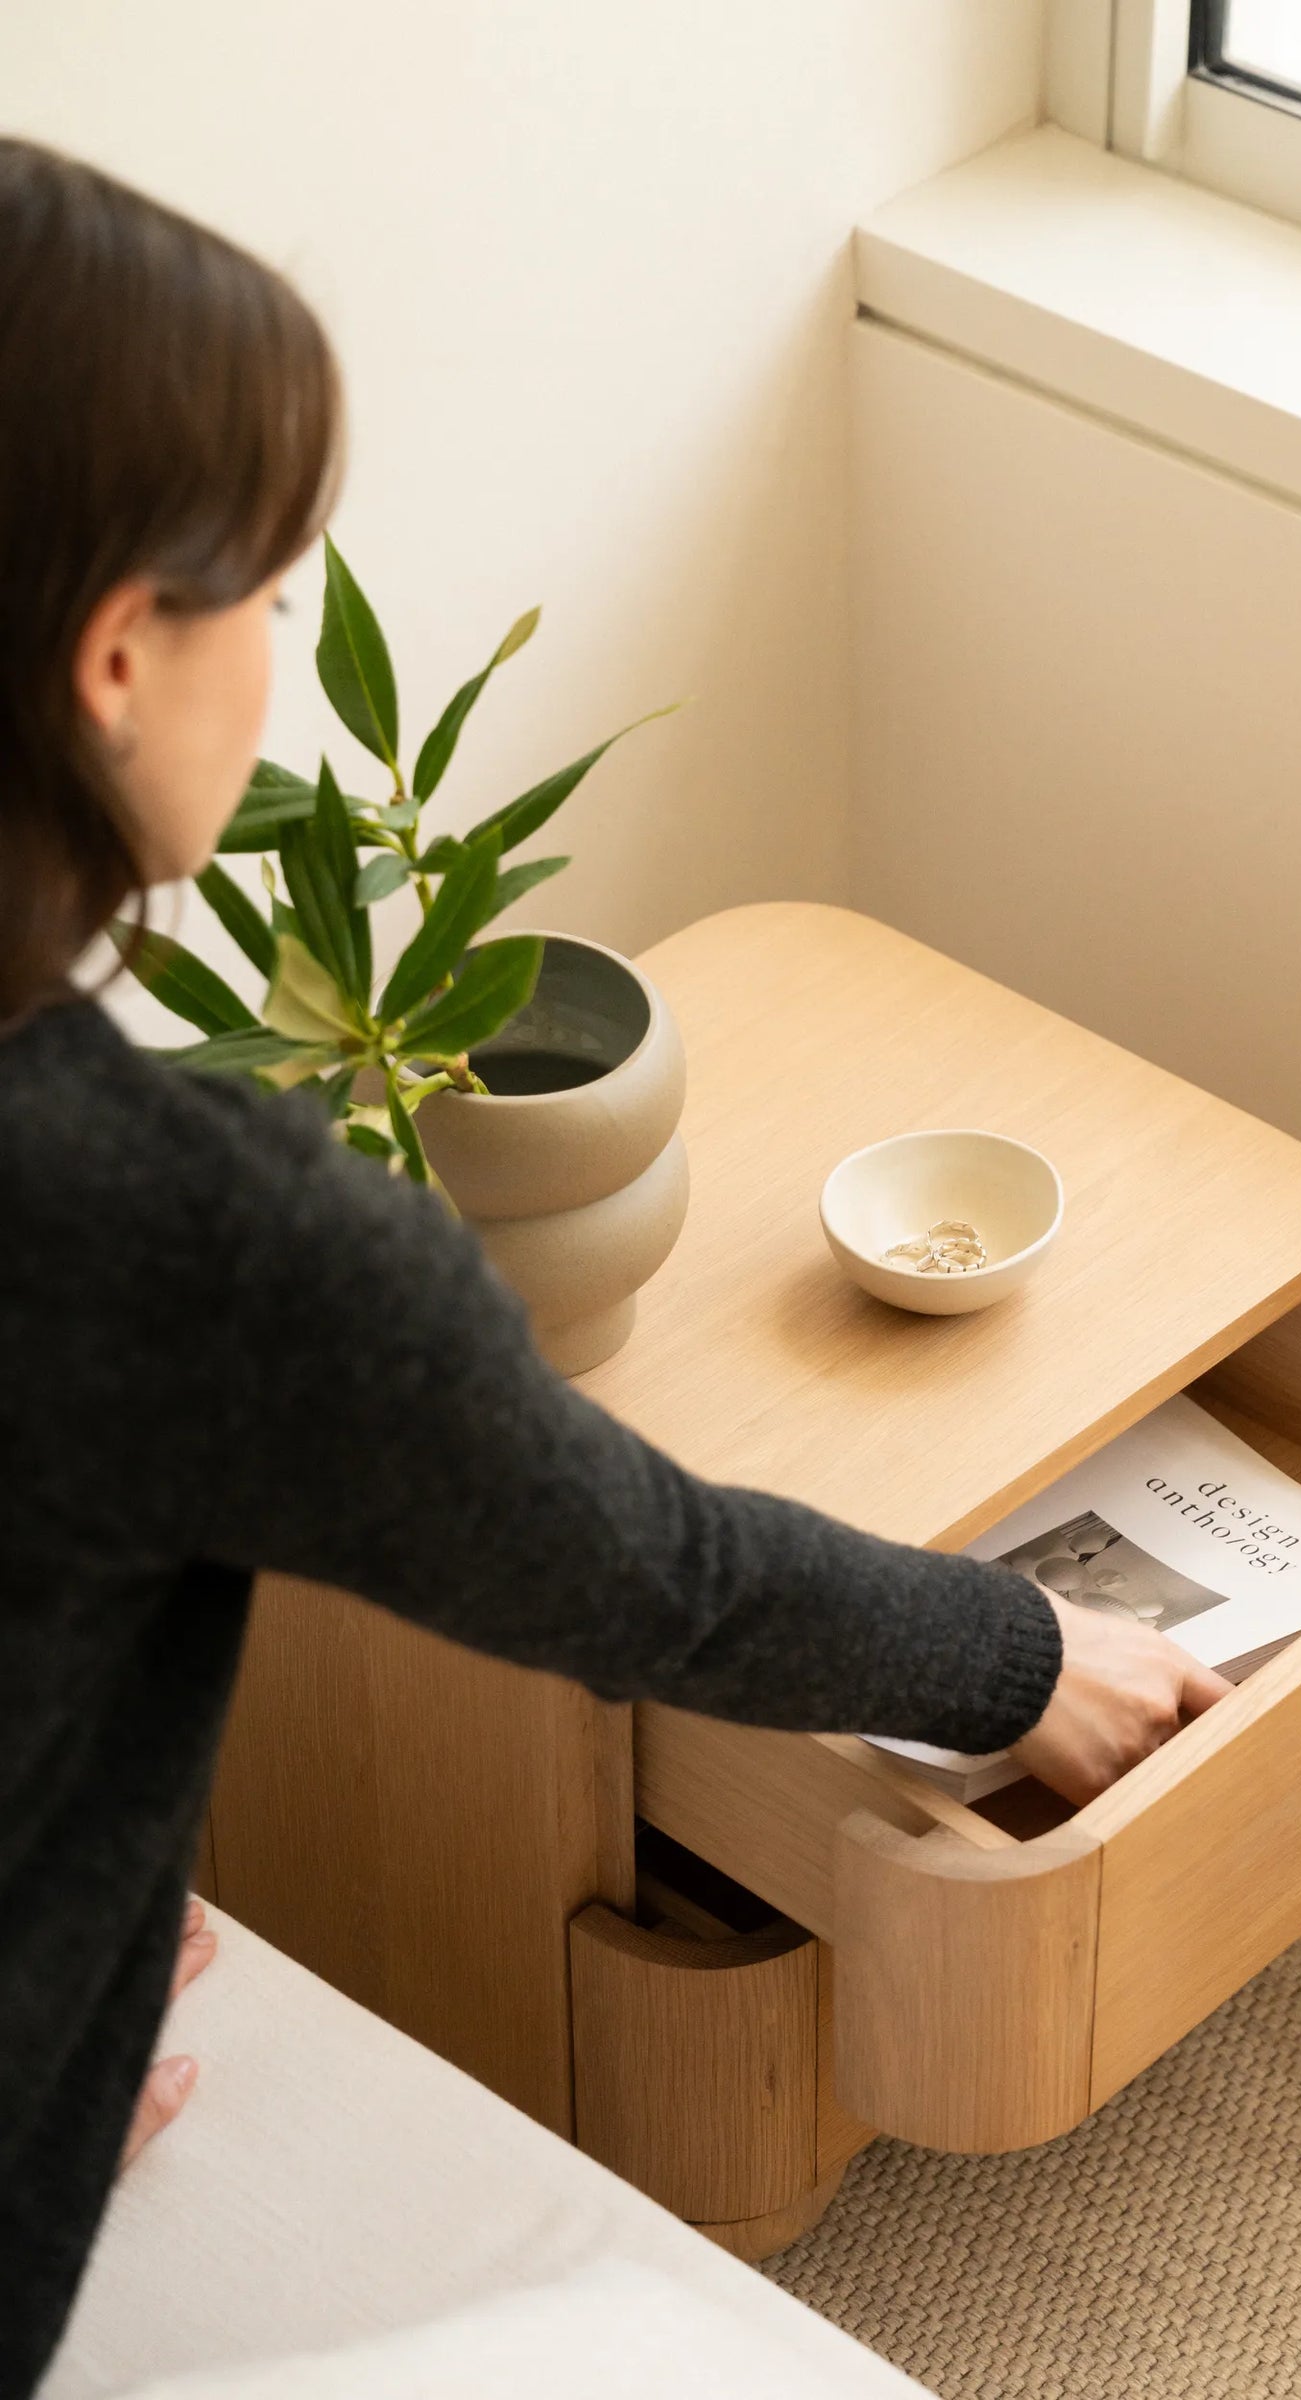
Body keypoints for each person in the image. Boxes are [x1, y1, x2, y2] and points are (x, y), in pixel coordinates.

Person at [0, 139, 1231, 2393]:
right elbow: (637, 1569)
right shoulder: (183, 1237)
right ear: (109, 661)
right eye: (267, 597)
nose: (278, 653)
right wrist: (1018, 1655)